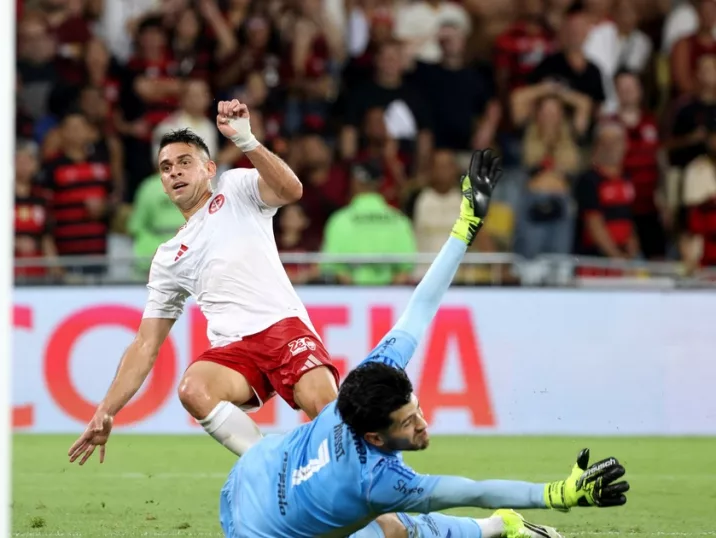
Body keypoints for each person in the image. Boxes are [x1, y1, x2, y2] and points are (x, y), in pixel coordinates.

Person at [218, 150, 631, 538]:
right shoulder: (378, 481)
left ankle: (499, 526)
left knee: (383, 522)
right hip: (252, 529)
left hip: (257, 470)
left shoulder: (369, 386)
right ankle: (499, 527)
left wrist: (465, 225)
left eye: (414, 409)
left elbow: (421, 307)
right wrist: (556, 494)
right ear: (375, 438)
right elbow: (474, 491)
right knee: (396, 529)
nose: (421, 423)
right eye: (407, 423)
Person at [68, 100, 341, 464]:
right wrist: (106, 409)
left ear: (209, 168)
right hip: (235, 351)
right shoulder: (168, 256)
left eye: (184, 162)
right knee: (193, 388)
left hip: (282, 329)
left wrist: (246, 140)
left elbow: (291, 190)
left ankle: (378, 494)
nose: (175, 172)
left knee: (330, 417)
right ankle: (271, 468)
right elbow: (145, 344)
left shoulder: (235, 187)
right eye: (166, 168)